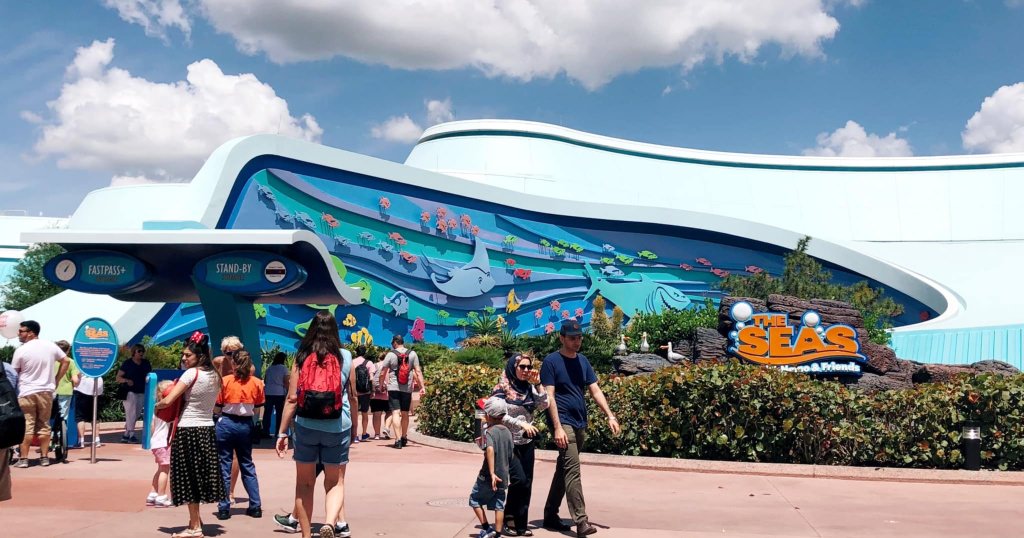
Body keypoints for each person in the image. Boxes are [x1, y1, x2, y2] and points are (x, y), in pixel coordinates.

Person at [275, 310, 358, 538]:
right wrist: (355, 429)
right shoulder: (345, 356)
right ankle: (330, 524)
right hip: (337, 426)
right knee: (335, 482)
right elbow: (352, 397)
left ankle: (305, 535)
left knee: (304, 484)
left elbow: (292, 398)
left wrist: (282, 433)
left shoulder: (301, 356)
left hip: (306, 426)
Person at [540, 320, 620, 538]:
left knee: (564, 468)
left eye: (579, 338)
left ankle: (549, 513)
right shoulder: (551, 362)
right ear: (562, 338)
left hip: (580, 421)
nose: (577, 342)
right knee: (573, 469)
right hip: (563, 422)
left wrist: (610, 415)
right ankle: (581, 521)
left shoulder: (583, 361)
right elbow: (549, 396)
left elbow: (595, 390)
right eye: (572, 338)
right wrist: (557, 428)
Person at [155, 332, 226, 538]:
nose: (183, 359)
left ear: (199, 356)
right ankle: (196, 520)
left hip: (188, 430)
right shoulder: (215, 376)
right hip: (206, 429)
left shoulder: (190, 374)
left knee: (188, 479)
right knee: (199, 476)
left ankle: (194, 527)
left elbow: (169, 401)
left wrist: (156, 406)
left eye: (187, 355)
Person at [493, 353, 549, 536]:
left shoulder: (529, 388)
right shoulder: (502, 388)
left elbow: (544, 404)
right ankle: (508, 518)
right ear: (513, 368)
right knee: (519, 480)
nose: (526, 370)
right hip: (507, 441)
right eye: (522, 367)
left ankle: (521, 524)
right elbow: (499, 414)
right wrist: (521, 423)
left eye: (528, 367)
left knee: (527, 483)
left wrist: (538, 384)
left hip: (526, 441)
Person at [12, 320, 71, 468]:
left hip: (26, 392)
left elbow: (14, 373)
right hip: (46, 391)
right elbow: (66, 361)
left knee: (27, 426)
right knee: (44, 425)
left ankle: (24, 459)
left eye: (21, 331)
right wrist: (56, 380)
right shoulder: (50, 346)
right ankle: (44, 457)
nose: (19, 334)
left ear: (31, 332)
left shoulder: (21, 350)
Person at [214, 349, 265, 520]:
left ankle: (223, 507)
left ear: (233, 364)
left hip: (227, 423)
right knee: (247, 464)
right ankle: (255, 505)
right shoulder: (257, 383)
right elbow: (258, 408)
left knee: (224, 464)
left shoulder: (225, 381)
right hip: (245, 424)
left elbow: (217, 407)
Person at [468, 397, 514, 538]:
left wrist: (492, 472)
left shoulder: (490, 432)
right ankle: (498, 534)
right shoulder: (508, 432)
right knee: (499, 505)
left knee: (474, 500)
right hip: (503, 475)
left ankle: (487, 528)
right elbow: (510, 453)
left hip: (487, 476)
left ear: (487, 415)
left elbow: (489, 450)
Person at [377, 335, 425, 449]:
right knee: (404, 413)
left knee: (395, 412)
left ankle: (397, 440)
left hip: (393, 388)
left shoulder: (390, 354)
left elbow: (383, 372)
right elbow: (418, 371)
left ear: (394, 342)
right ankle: (404, 437)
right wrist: (422, 386)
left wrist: (381, 385)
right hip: (407, 388)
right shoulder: (412, 354)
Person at [116, 343, 151, 443]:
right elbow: (118, 378)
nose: (141, 353)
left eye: (142, 351)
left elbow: (149, 375)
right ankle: (131, 434)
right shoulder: (127, 363)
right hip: (129, 392)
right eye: (139, 351)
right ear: (134, 352)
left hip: (141, 391)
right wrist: (127, 380)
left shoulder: (146, 363)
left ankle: (126, 434)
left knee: (137, 413)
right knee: (131, 412)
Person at [148, 380, 175, 508]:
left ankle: (153, 493)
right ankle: (162, 496)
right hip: (164, 442)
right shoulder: (170, 409)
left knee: (160, 468)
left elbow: (152, 426)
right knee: (165, 470)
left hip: (156, 441)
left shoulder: (156, 407)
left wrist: (153, 438)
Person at [53, 340, 81, 439]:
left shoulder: (52, 361)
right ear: (68, 350)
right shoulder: (71, 362)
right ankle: (59, 440)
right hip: (66, 392)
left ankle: (49, 439)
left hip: (50, 391)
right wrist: (79, 377)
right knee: (63, 416)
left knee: (49, 416)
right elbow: (75, 381)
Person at [262, 352, 290, 439]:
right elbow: (286, 382)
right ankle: (279, 432)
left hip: (268, 392)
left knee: (267, 413)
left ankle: (265, 431)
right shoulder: (284, 369)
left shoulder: (269, 368)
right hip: (279, 393)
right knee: (280, 413)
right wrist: (288, 391)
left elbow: (266, 380)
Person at [74, 369, 104, 448]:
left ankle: (81, 441)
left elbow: (76, 375)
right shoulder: (99, 359)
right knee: (95, 416)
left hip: (83, 388)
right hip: (98, 388)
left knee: (80, 417)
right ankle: (97, 440)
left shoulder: (80, 360)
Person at [351, 345, 375, 443]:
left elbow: (350, 378)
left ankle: (355, 435)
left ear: (356, 352)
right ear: (365, 353)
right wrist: (373, 391)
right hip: (366, 392)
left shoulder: (352, 362)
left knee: (354, 414)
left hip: (355, 392)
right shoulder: (369, 363)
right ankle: (364, 434)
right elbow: (372, 378)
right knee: (365, 413)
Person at [369, 350, 393, 440]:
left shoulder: (375, 365)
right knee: (390, 412)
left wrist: (372, 391)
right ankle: (387, 428)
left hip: (376, 394)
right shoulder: (391, 367)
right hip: (388, 393)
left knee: (376, 414)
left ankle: (377, 434)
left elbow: (371, 379)